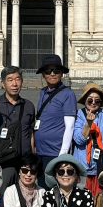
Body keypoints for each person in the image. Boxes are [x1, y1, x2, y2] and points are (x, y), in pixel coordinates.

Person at [0, 66, 37, 188]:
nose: (14, 83)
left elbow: (30, 133)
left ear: (22, 82)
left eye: (18, 79)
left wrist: (33, 157)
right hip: (4, 160)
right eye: (10, 80)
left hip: (24, 161)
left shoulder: (28, 105)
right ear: (3, 83)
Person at [32, 55, 78, 187]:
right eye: (48, 71)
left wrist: (62, 154)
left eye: (56, 70)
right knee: (42, 189)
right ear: (43, 74)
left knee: (55, 191)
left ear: (62, 73)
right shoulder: (42, 92)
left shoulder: (68, 94)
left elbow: (70, 126)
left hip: (55, 153)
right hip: (40, 152)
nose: (52, 73)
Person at [72, 82, 103, 193]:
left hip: (100, 165)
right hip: (82, 165)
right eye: (90, 100)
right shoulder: (78, 115)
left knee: (99, 199)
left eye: (97, 100)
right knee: (82, 199)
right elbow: (78, 140)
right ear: (85, 100)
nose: (93, 103)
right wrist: (88, 123)